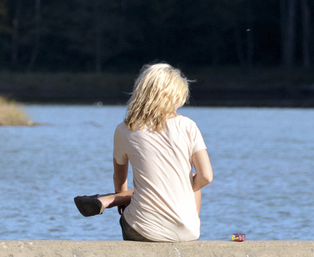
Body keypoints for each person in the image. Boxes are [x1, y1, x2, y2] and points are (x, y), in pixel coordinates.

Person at [74, 63, 213, 242]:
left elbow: (119, 178)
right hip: (189, 232)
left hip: (143, 229)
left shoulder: (124, 130)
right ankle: (108, 199)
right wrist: (180, 190)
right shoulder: (188, 125)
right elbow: (206, 177)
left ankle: (109, 199)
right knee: (191, 178)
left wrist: (121, 199)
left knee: (152, 189)